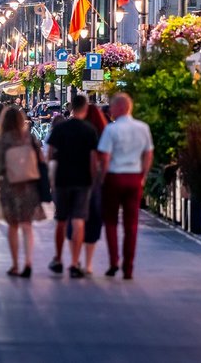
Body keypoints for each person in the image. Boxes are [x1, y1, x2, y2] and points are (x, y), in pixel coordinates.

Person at [97, 93, 153, 280]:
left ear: (120, 108)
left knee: (111, 222)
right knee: (132, 225)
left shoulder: (111, 130)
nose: (110, 111)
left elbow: (104, 158)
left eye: (112, 107)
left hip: (114, 176)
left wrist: (102, 178)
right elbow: (148, 154)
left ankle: (114, 262)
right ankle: (128, 268)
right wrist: (143, 176)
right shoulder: (142, 128)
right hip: (134, 178)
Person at [46, 95, 99, 278]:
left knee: (61, 220)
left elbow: (50, 154)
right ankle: (75, 263)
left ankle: (58, 259)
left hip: (62, 179)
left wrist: (51, 177)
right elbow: (93, 159)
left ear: (71, 108)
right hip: (83, 180)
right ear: (85, 109)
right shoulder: (90, 130)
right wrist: (93, 180)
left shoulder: (61, 128)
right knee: (78, 220)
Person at [0, 106, 45, 278]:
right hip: (29, 186)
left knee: (13, 226)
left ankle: (15, 264)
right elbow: (40, 160)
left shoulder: (3, 140)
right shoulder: (29, 138)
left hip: (10, 186)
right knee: (27, 225)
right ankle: (28, 261)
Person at [79, 104, 109, 275]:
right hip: (96, 181)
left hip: (78, 178)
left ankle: (75, 260)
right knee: (94, 218)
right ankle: (89, 263)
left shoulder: (82, 131)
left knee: (77, 218)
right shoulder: (105, 132)